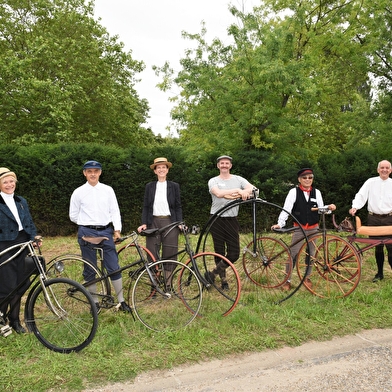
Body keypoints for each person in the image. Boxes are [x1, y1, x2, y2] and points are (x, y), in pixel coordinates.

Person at [69, 160, 131, 312]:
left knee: (114, 267)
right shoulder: (78, 192)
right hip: (86, 233)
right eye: (89, 171)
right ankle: (95, 302)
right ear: (84, 173)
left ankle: (121, 301)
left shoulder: (108, 190)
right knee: (90, 268)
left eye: (95, 171)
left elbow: (115, 210)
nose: (93, 174)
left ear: (100, 173)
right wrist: (87, 223)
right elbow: (73, 215)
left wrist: (117, 230)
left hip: (106, 232)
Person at [271, 168, 336, 290]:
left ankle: (307, 277)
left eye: (310, 177)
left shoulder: (317, 192)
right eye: (304, 178)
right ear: (299, 179)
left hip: (313, 228)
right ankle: (287, 280)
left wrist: (329, 207)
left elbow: (321, 209)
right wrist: (280, 223)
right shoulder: (293, 192)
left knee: (311, 254)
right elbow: (287, 208)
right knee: (293, 254)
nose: (307, 180)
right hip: (299, 228)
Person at [0, 167, 40, 333]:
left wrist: (34, 237)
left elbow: (29, 223)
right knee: (7, 285)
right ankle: (1, 318)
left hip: (23, 244)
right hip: (4, 245)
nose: (9, 184)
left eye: (12, 181)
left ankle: (15, 320)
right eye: (5, 182)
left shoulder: (21, 201)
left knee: (21, 283)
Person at [207, 155, 255, 288]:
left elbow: (254, 190)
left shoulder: (238, 179)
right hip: (216, 218)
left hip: (231, 218)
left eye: (227, 163)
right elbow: (218, 193)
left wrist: (244, 192)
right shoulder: (213, 180)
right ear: (218, 166)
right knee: (219, 250)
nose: (224, 165)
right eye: (221, 163)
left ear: (230, 166)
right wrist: (239, 191)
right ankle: (224, 281)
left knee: (234, 253)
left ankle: (213, 273)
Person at [137, 158, 182, 286]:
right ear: (155, 171)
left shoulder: (174, 186)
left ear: (167, 170)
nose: (161, 170)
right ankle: (154, 284)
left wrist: (179, 222)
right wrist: (144, 222)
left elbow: (178, 206)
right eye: (158, 168)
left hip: (170, 221)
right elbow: (146, 206)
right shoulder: (149, 186)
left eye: (164, 167)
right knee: (152, 252)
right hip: (153, 222)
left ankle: (168, 284)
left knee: (170, 252)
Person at [349, 160, 392, 282]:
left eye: (387, 168)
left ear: (390, 170)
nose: (384, 170)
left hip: (389, 219)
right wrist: (355, 207)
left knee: (391, 247)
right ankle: (379, 274)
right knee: (377, 247)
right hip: (374, 219)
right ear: (378, 170)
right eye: (382, 167)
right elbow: (361, 195)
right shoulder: (370, 182)